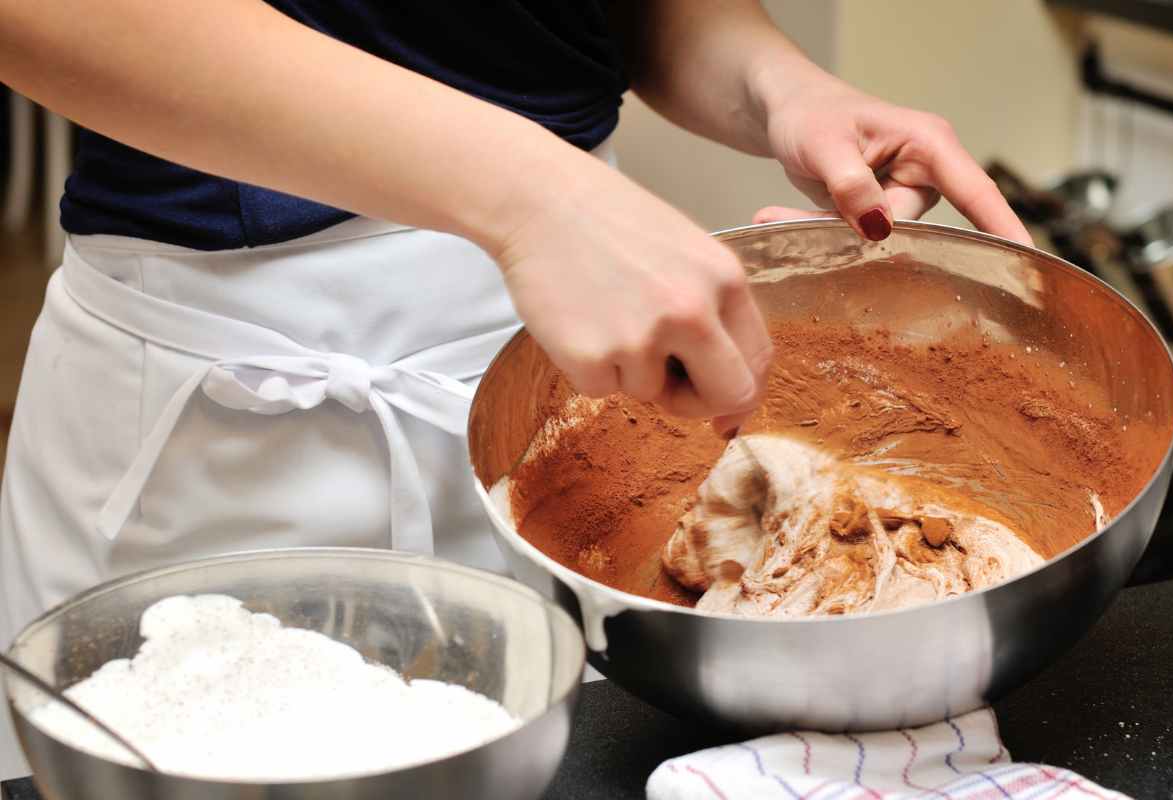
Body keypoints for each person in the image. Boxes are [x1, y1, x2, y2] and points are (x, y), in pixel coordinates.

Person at [0, 0, 1030, 778]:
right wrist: (529, 196)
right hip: (212, 426)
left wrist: (778, 85)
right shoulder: (533, 206)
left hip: (560, 409)